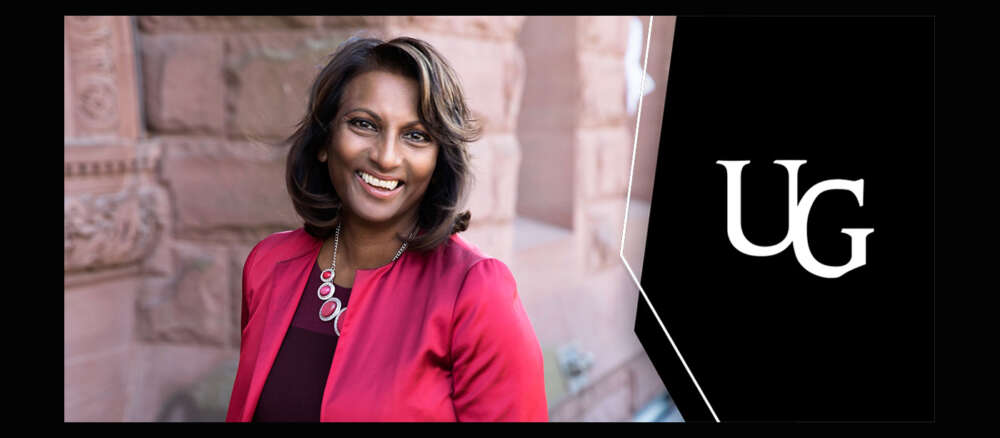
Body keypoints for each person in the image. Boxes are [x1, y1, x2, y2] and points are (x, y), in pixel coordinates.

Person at [225, 36, 548, 422]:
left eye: (416, 135)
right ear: (324, 140)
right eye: (364, 124)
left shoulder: (475, 293)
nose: (386, 156)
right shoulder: (269, 265)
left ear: (438, 161)